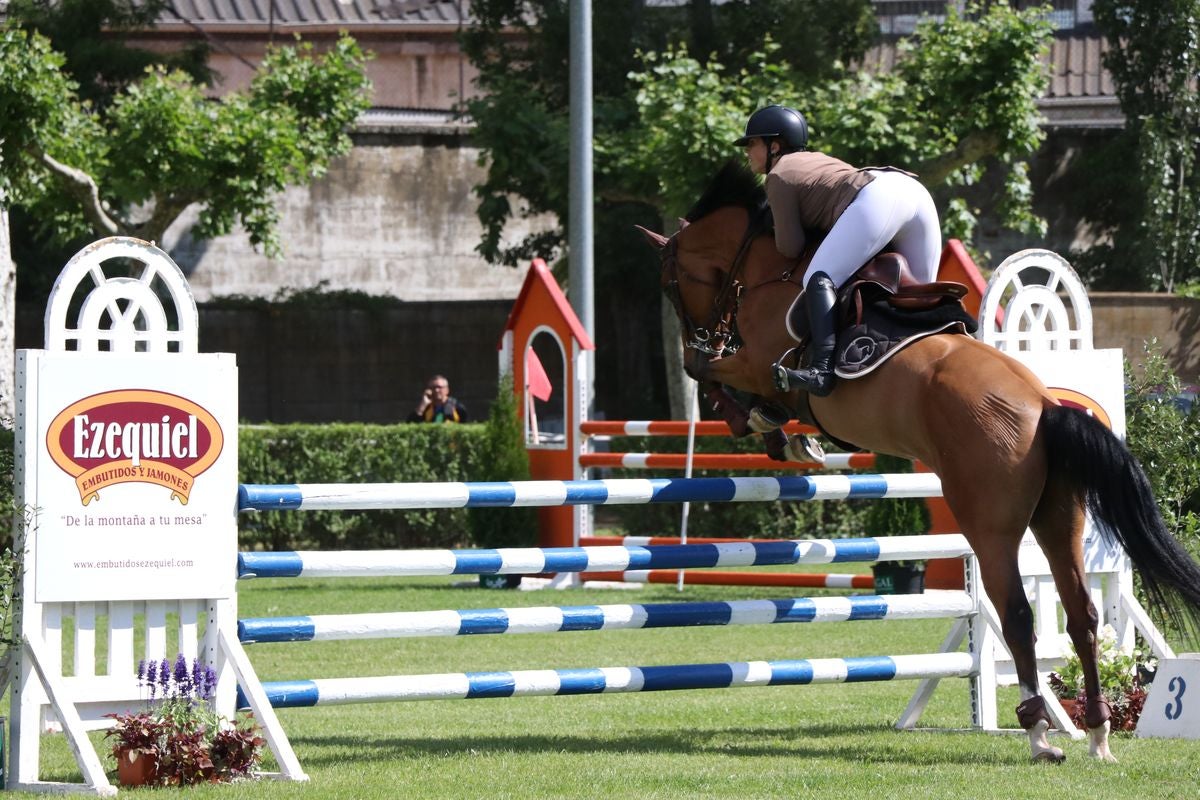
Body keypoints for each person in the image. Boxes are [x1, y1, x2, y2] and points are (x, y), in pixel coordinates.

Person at [734, 104, 941, 397]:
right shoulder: (815, 160)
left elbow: (790, 248)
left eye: (752, 144)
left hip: (879, 197)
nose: (747, 152)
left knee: (818, 278)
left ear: (774, 146)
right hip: (915, 192)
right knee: (920, 298)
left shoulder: (778, 175)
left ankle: (821, 371)